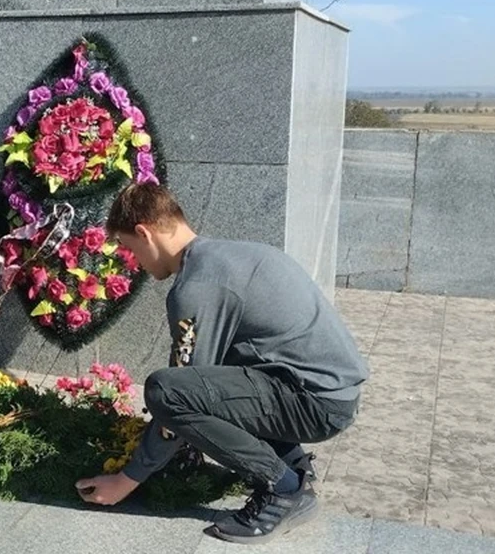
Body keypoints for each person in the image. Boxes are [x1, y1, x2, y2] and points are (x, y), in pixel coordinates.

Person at [75, 183, 369, 545]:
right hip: (330, 393)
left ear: (144, 233)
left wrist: (128, 479)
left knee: (165, 390)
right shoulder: (231, 255)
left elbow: (176, 397)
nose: (132, 262)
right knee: (214, 370)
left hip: (315, 403)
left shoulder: (196, 287)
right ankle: (294, 466)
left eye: (129, 249)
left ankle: (284, 489)